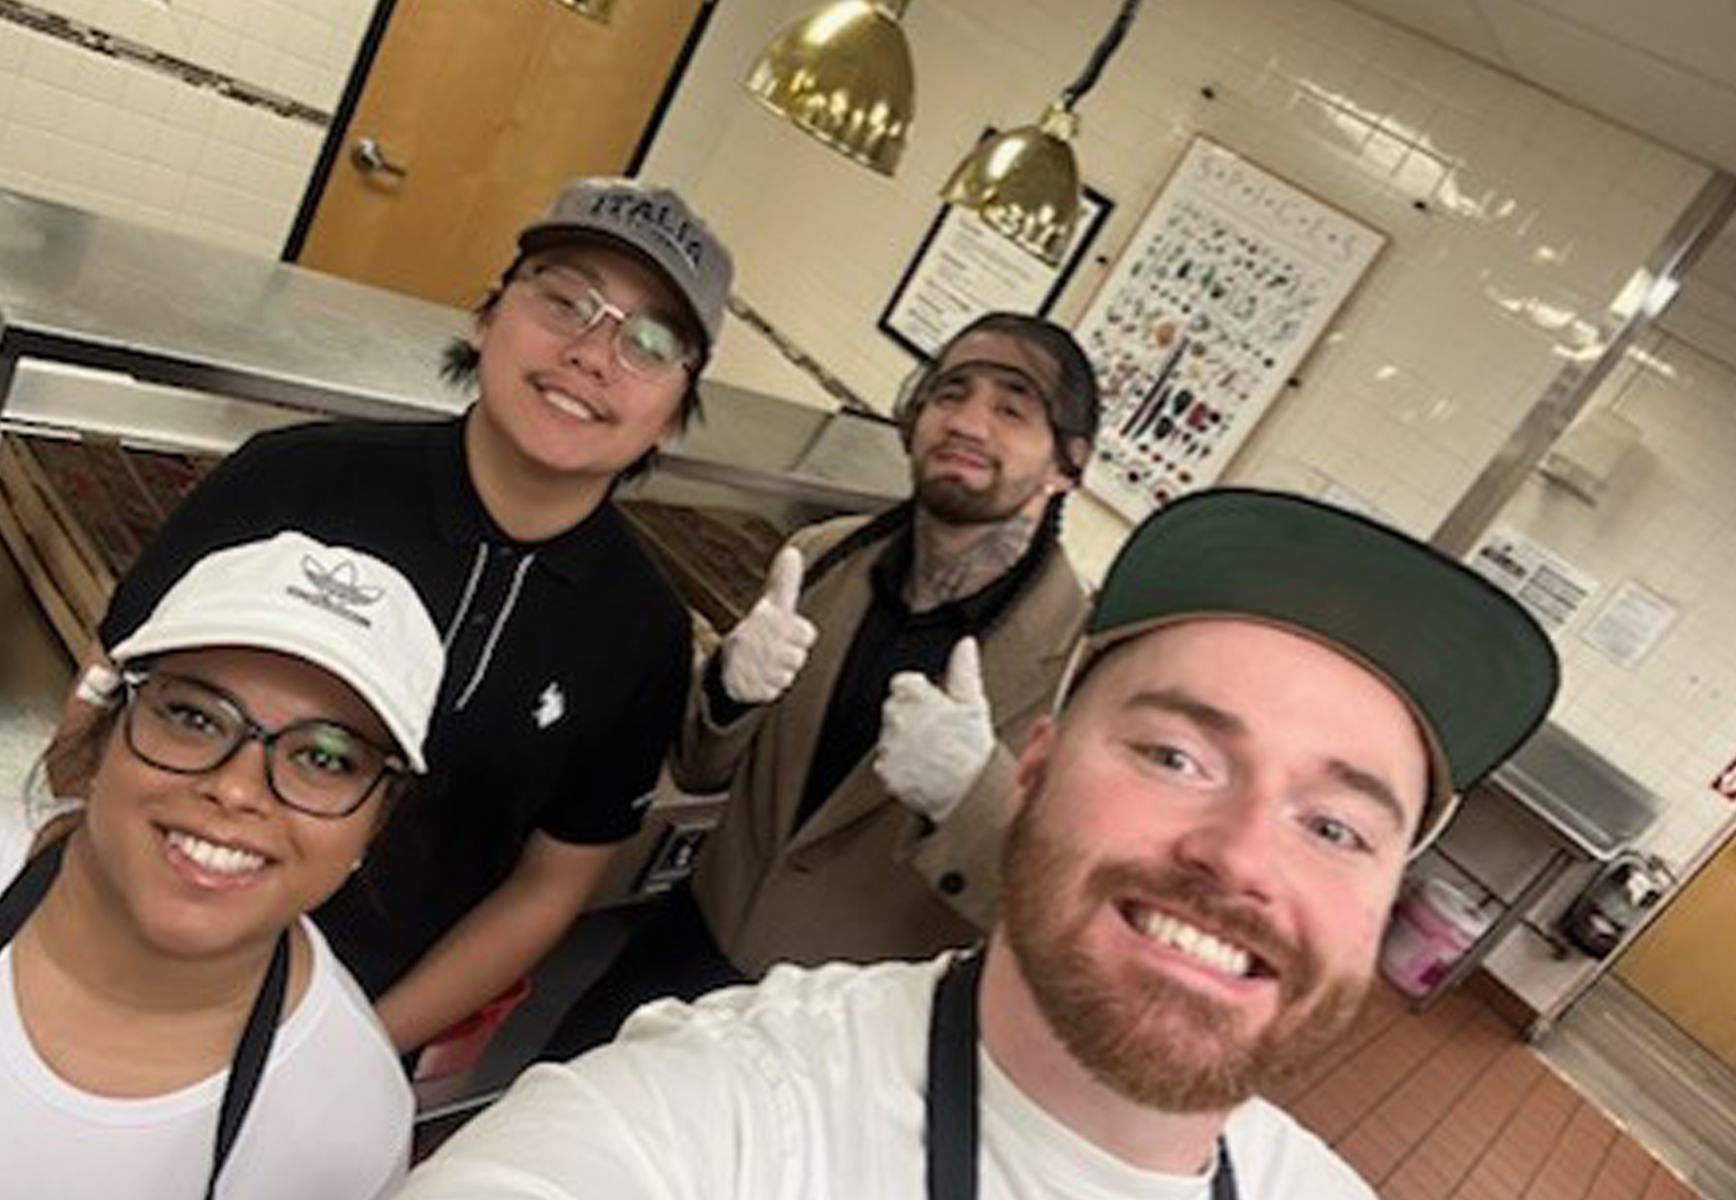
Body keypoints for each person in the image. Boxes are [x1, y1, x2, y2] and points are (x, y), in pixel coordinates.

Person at [396, 487, 1559, 1198]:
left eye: (1336, 826)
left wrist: (967, 797)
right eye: (1175, 757)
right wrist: (730, 696)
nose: (1244, 855)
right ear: (1039, 767)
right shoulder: (730, 1112)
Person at [52, 177, 734, 1054]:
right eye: (567, 300)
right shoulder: (290, 480)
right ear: (487, 315)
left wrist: (353, 1048)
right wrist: (68, 906)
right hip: (130, 945)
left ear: (674, 414)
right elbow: (105, 687)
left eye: (650, 342)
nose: (593, 354)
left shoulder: (641, 631)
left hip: (348, 1011)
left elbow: (549, 885)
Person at [543, 311, 1101, 1056]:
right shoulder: (820, 559)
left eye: (1012, 408)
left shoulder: (1082, 675)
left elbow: (1068, 931)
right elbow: (701, 767)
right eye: (950, 392)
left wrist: (973, 801)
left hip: (839, 1039)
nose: (969, 421)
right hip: (678, 956)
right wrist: (728, 691)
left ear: (1068, 463)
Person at [0, 531, 443, 1199]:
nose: (237, 789)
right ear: (104, 732)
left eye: (323, 758)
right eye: (194, 717)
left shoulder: (348, 1122)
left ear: (373, 824)